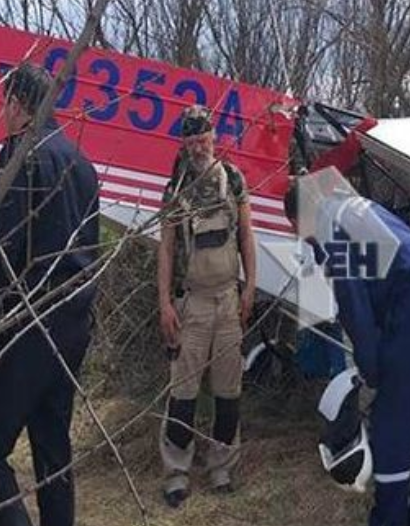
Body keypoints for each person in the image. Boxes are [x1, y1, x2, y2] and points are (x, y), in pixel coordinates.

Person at [0, 62, 100, 526]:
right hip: (73, 322)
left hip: (27, 322)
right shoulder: (82, 164)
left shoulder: (22, 156)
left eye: (5, 103)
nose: (2, 113)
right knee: (52, 447)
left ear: (17, 105)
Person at [283, 170, 410, 526]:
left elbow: (354, 304)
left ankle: (389, 517)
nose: (302, 238)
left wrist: (371, 367)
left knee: (392, 418)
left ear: (302, 217)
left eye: (297, 229)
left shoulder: (330, 226)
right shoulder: (352, 206)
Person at [157, 104, 257, 507]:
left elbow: (247, 236)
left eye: (204, 139)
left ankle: (221, 465)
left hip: (229, 300)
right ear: (183, 143)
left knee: (228, 391)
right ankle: (176, 472)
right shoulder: (174, 188)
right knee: (183, 392)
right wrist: (164, 302)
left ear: (214, 137)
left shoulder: (233, 179)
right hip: (192, 303)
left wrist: (251, 287)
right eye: (191, 140)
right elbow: (165, 250)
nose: (198, 147)